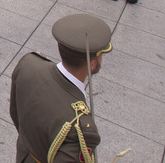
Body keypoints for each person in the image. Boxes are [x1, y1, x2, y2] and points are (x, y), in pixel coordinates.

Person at [9, 14, 112, 163]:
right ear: (93, 64)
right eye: (101, 55)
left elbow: (15, 113)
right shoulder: (80, 128)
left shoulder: (29, 63)